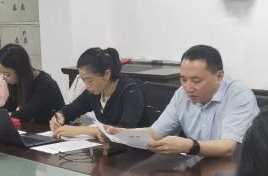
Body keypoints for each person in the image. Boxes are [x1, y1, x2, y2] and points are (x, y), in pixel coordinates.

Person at [109, 45, 258, 158]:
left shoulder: (238, 94)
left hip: (238, 170)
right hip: (200, 167)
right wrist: (118, 133)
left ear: (219, 76)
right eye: (183, 79)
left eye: (196, 81)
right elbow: (155, 132)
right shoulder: (181, 94)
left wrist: (190, 146)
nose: (188, 87)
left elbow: (229, 147)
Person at [49, 47, 146, 141]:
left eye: (90, 80)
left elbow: (124, 131)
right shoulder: (95, 92)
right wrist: (61, 115)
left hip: (134, 149)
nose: (87, 85)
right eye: (83, 80)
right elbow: (76, 107)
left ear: (106, 74)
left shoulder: (131, 92)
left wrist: (80, 131)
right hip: (108, 148)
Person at [0, 43, 64, 123]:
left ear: (20, 70)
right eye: (1, 74)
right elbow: (9, 107)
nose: (4, 78)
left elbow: (27, 113)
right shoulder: (16, 82)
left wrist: (6, 115)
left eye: (7, 74)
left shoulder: (45, 84)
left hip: (50, 128)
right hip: (32, 127)